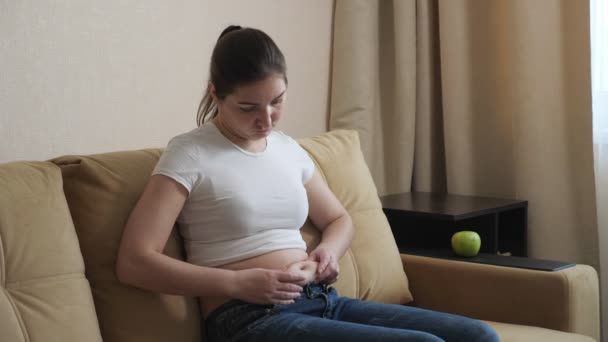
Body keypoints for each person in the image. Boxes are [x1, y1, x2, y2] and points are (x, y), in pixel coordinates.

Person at [116, 25, 500, 342]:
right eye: (248, 108)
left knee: (479, 336)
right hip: (246, 320)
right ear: (215, 93)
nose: (266, 120)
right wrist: (236, 284)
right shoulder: (189, 152)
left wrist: (327, 255)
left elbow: (339, 220)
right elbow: (134, 261)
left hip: (321, 299)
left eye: (277, 102)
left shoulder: (288, 149)